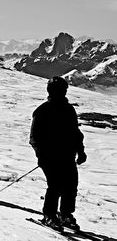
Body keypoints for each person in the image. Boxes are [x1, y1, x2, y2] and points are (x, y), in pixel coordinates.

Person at [29, 76, 87, 230]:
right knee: (55, 185)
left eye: (63, 90)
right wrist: (42, 156)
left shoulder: (69, 110)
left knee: (70, 185)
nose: (62, 93)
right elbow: (34, 138)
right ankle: (49, 215)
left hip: (67, 156)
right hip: (50, 157)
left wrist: (80, 151)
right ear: (52, 91)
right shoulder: (42, 111)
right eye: (60, 90)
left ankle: (65, 214)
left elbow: (76, 133)